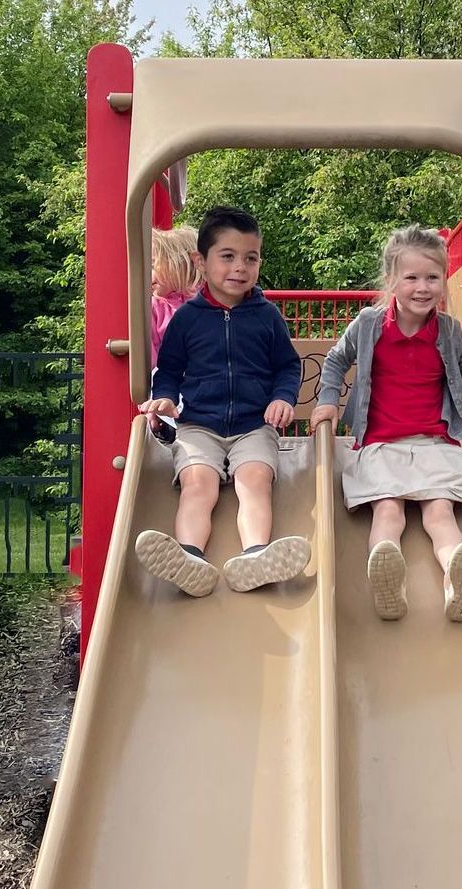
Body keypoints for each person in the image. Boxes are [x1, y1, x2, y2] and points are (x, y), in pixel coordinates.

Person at [310, 224, 462, 622]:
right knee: (388, 510)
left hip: (434, 444)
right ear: (391, 281)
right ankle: (387, 577)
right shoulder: (369, 324)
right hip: (381, 445)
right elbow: (336, 360)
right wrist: (327, 403)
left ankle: (457, 578)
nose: (423, 287)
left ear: (443, 281)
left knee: (440, 512)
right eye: (412, 278)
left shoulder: (449, 332)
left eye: (432, 278)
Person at [135, 206, 311, 597]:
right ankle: (189, 557)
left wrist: (282, 398)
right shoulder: (188, 320)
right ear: (202, 261)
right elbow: (169, 369)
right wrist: (163, 397)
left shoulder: (266, 316)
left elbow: (286, 366)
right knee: (198, 483)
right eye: (227, 256)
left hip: (253, 425)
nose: (240, 267)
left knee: (255, 480)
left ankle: (256, 555)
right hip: (199, 424)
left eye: (251, 258)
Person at [150, 225, 200, 360]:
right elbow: (150, 355)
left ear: (179, 264)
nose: (147, 274)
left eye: (153, 265)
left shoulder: (207, 297)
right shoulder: (155, 308)